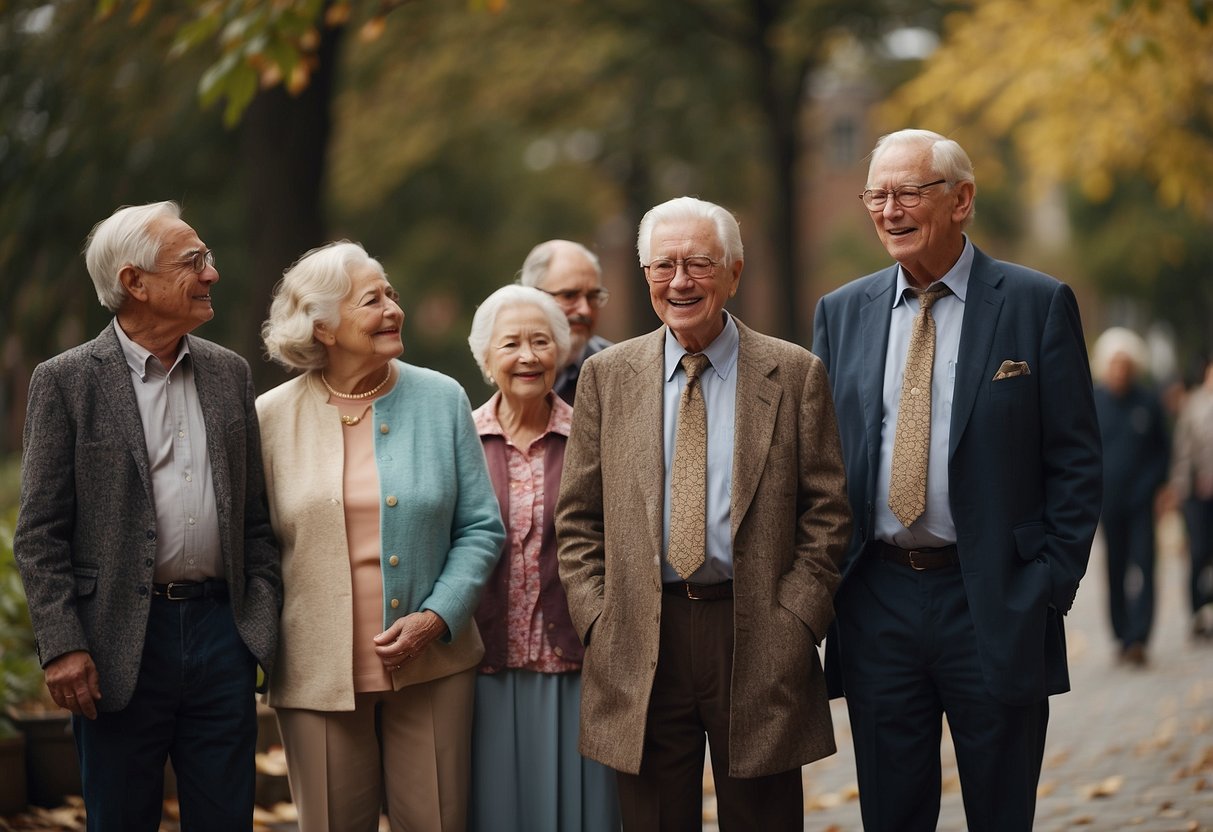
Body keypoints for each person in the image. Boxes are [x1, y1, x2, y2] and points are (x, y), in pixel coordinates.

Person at [813, 129, 1103, 832]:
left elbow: (1076, 460)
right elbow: (819, 462)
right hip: (877, 601)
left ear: (961, 199)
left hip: (994, 602)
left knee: (1001, 812)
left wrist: (1045, 589)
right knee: (891, 813)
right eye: (876, 195)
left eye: (907, 192)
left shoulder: (1036, 303)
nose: (889, 210)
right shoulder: (840, 312)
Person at [557, 196, 852, 830]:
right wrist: (600, 620)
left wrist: (796, 621)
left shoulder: (795, 373)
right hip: (641, 635)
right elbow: (578, 519)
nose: (681, 281)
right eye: (664, 265)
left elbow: (828, 514)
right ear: (645, 277)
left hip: (756, 630)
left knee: (764, 820)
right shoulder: (606, 377)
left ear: (734, 273)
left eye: (698, 263)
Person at [13, 201, 282, 830]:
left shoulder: (229, 373)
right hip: (115, 645)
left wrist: (255, 631)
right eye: (194, 262)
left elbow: (254, 521)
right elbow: (39, 533)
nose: (212, 273)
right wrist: (63, 647)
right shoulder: (66, 381)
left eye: (207, 259)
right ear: (135, 282)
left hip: (222, 635)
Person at [256, 241, 505, 831]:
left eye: (390, 294)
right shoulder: (269, 417)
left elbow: (480, 527)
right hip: (315, 672)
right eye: (372, 300)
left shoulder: (442, 398)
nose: (393, 308)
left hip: (435, 667)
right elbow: (253, 544)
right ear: (323, 326)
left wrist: (435, 617)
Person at [465, 284, 621, 832]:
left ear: (561, 353)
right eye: (510, 344)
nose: (528, 356)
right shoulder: (458, 437)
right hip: (483, 664)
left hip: (578, 663)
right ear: (486, 358)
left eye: (541, 342)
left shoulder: (592, 436)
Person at [1091, 327, 1169, 666]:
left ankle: (1140, 636)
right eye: (1114, 364)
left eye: (1125, 364)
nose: (1120, 370)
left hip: (1143, 502)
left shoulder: (1148, 402)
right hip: (1108, 502)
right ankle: (1122, 635)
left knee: (1146, 566)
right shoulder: (1094, 401)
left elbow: (1163, 451)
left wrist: (1158, 487)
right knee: (1114, 569)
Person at [518, 239, 612, 404]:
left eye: (592, 297)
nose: (585, 310)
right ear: (532, 297)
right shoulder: (508, 362)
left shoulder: (616, 370)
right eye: (569, 296)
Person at [1170, 355, 1213, 640]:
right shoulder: (1194, 405)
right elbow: (1182, 452)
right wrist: (1180, 488)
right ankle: (1197, 609)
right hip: (1198, 495)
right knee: (1199, 552)